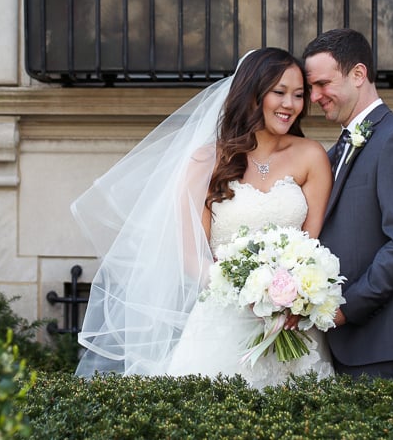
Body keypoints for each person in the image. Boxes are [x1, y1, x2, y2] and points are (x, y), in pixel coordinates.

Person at [72, 48, 335, 387]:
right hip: (223, 320)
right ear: (252, 94)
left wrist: (289, 295)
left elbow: (311, 244)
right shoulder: (205, 161)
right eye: (279, 92)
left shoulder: (311, 156)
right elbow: (190, 255)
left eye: (299, 95)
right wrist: (247, 293)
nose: (290, 104)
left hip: (292, 323)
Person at [302, 28, 393, 379]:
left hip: (385, 341)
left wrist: (346, 309)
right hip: (341, 342)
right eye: (311, 87)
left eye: (323, 84)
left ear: (358, 74)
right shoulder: (335, 151)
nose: (314, 96)